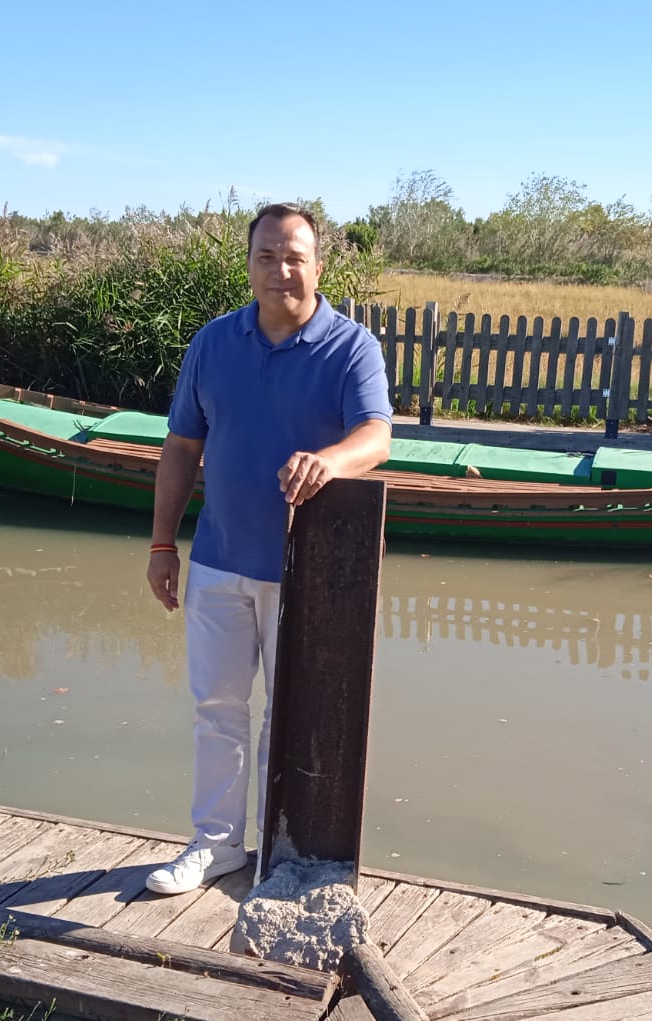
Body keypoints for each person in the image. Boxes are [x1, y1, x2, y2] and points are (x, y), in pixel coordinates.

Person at [143, 202, 393, 895]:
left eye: (293, 256)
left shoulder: (351, 348)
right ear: (248, 263)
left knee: (296, 720)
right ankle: (215, 845)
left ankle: (285, 855)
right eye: (266, 256)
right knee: (217, 709)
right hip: (219, 560)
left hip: (305, 574)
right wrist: (164, 544)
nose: (280, 270)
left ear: (317, 264)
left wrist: (331, 460)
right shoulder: (213, 343)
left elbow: (377, 435)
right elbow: (182, 446)